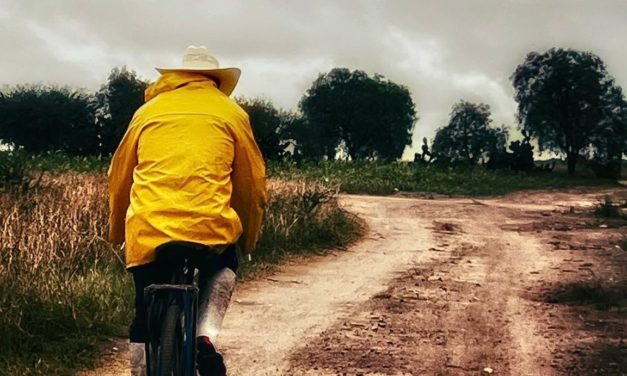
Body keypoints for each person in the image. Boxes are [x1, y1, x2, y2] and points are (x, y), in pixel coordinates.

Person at [108, 46, 267, 376]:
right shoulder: (232, 114)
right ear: (215, 81)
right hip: (209, 228)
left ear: (177, 78)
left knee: (143, 309)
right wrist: (248, 238)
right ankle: (205, 338)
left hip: (149, 228)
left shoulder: (147, 112)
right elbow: (252, 184)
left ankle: (140, 368)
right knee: (224, 264)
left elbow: (119, 178)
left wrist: (118, 232)